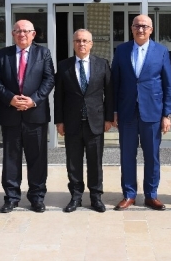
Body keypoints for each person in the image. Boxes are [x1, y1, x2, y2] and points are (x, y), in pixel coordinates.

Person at [111, 14, 171, 211]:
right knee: (127, 155)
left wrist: (167, 114)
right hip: (127, 111)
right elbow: (114, 83)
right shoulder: (121, 50)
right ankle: (129, 194)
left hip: (153, 112)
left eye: (145, 26)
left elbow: (168, 84)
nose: (140, 29)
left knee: (152, 156)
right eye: (137, 26)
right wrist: (114, 111)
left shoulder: (161, 51)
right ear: (131, 28)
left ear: (151, 30)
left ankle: (151, 195)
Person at [0, 20, 55, 213]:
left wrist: (33, 100)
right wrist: (10, 98)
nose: (22, 34)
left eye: (26, 31)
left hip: (35, 115)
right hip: (11, 115)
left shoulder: (43, 53)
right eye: (18, 31)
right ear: (12, 34)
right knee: (11, 159)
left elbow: (49, 78)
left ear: (33, 34)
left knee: (37, 159)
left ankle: (37, 197)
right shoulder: (3, 54)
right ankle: (11, 197)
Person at [54, 29, 114, 213]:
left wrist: (109, 118)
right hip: (72, 122)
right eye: (78, 41)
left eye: (85, 41)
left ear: (91, 44)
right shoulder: (63, 66)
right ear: (73, 43)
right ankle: (76, 197)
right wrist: (59, 121)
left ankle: (96, 197)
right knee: (73, 162)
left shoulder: (102, 64)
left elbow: (109, 93)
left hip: (95, 122)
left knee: (95, 162)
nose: (81, 44)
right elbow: (58, 96)